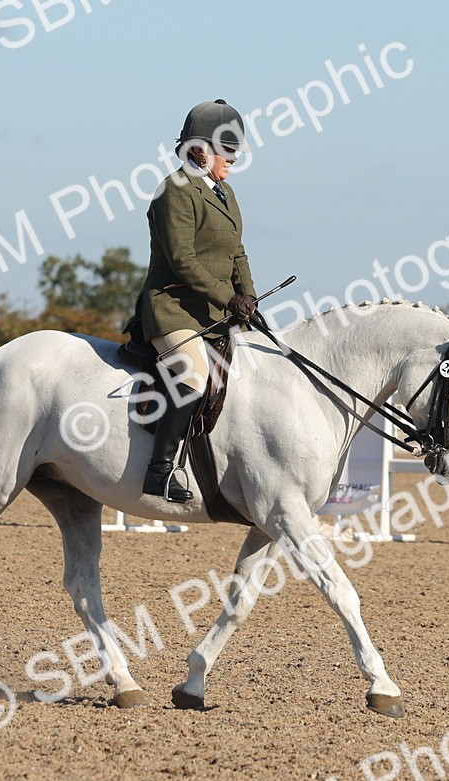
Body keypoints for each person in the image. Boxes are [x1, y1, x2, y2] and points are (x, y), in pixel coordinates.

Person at [129, 99, 258, 502]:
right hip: (172, 308)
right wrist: (227, 297)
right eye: (228, 150)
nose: (233, 160)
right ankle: (160, 472)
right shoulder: (175, 191)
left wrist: (248, 297)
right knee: (193, 373)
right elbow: (182, 260)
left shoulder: (226, 193)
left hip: (214, 312)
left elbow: (237, 251)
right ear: (201, 149)